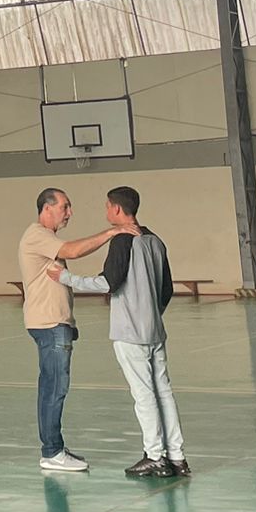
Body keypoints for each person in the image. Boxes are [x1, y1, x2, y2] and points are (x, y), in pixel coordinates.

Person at [48, 186, 189, 478]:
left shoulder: (123, 240)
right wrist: (151, 315)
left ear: (116, 209)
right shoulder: (155, 240)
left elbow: (107, 283)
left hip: (129, 333)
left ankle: (154, 456)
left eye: (106, 206)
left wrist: (65, 278)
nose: (106, 211)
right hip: (155, 332)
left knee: (144, 395)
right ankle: (177, 456)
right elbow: (167, 290)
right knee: (164, 392)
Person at [19, 187, 136, 472]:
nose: (69, 213)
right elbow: (72, 250)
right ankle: (52, 452)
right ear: (47, 209)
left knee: (52, 387)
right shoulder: (37, 235)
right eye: (65, 207)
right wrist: (112, 233)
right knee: (55, 388)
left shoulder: (46, 238)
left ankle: (53, 447)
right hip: (48, 324)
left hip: (55, 323)